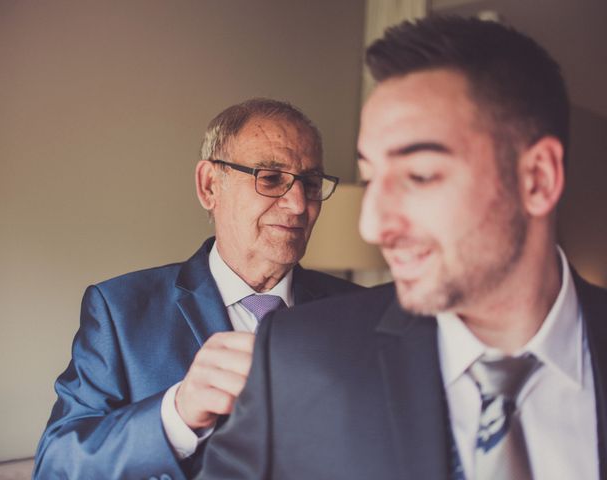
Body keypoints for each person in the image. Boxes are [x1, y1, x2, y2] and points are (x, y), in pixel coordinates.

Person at [197, 16, 607, 480]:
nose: (373, 226)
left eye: (419, 176)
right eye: (372, 179)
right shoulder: (300, 360)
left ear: (538, 178)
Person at [33, 98, 360, 479]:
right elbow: (56, 465)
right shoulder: (120, 311)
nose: (298, 203)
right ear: (209, 187)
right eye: (271, 179)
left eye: (311, 183)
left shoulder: (355, 310)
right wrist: (178, 413)